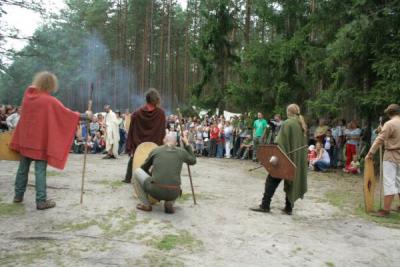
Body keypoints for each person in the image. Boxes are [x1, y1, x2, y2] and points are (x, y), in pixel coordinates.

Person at [10, 71, 92, 210]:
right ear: (51, 85)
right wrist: (85, 115)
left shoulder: (27, 98)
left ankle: (18, 196)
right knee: (40, 170)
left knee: (23, 168)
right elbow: (67, 114)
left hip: (26, 140)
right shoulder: (49, 101)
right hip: (40, 142)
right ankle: (41, 201)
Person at [250, 104, 307, 215]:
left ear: (288, 112)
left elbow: (279, 143)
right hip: (295, 159)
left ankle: (265, 205)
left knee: (271, 179)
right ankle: (288, 208)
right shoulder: (301, 124)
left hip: (284, 158)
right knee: (291, 181)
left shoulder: (288, 123)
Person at [133, 132, 196, 214]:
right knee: (175, 183)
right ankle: (169, 202)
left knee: (137, 171)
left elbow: (143, 168)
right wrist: (187, 143)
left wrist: (152, 173)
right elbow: (193, 161)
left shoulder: (156, 150)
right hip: (174, 192)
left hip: (156, 190)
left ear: (164, 140)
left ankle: (146, 204)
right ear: (176, 143)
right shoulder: (182, 152)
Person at [123, 88, 166, 183]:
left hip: (139, 143)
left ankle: (128, 178)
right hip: (154, 144)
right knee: (155, 160)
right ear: (157, 99)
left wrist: (133, 142)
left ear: (147, 99)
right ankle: (153, 177)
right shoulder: (161, 113)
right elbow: (162, 132)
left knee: (134, 158)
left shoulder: (137, 113)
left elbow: (132, 129)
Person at [366, 104, 400, 217]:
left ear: (389, 113)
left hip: (391, 155)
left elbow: (380, 139)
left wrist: (370, 153)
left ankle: (386, 210)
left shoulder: (389, 124)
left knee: (389, 182)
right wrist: (383, 130)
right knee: (399, 182)